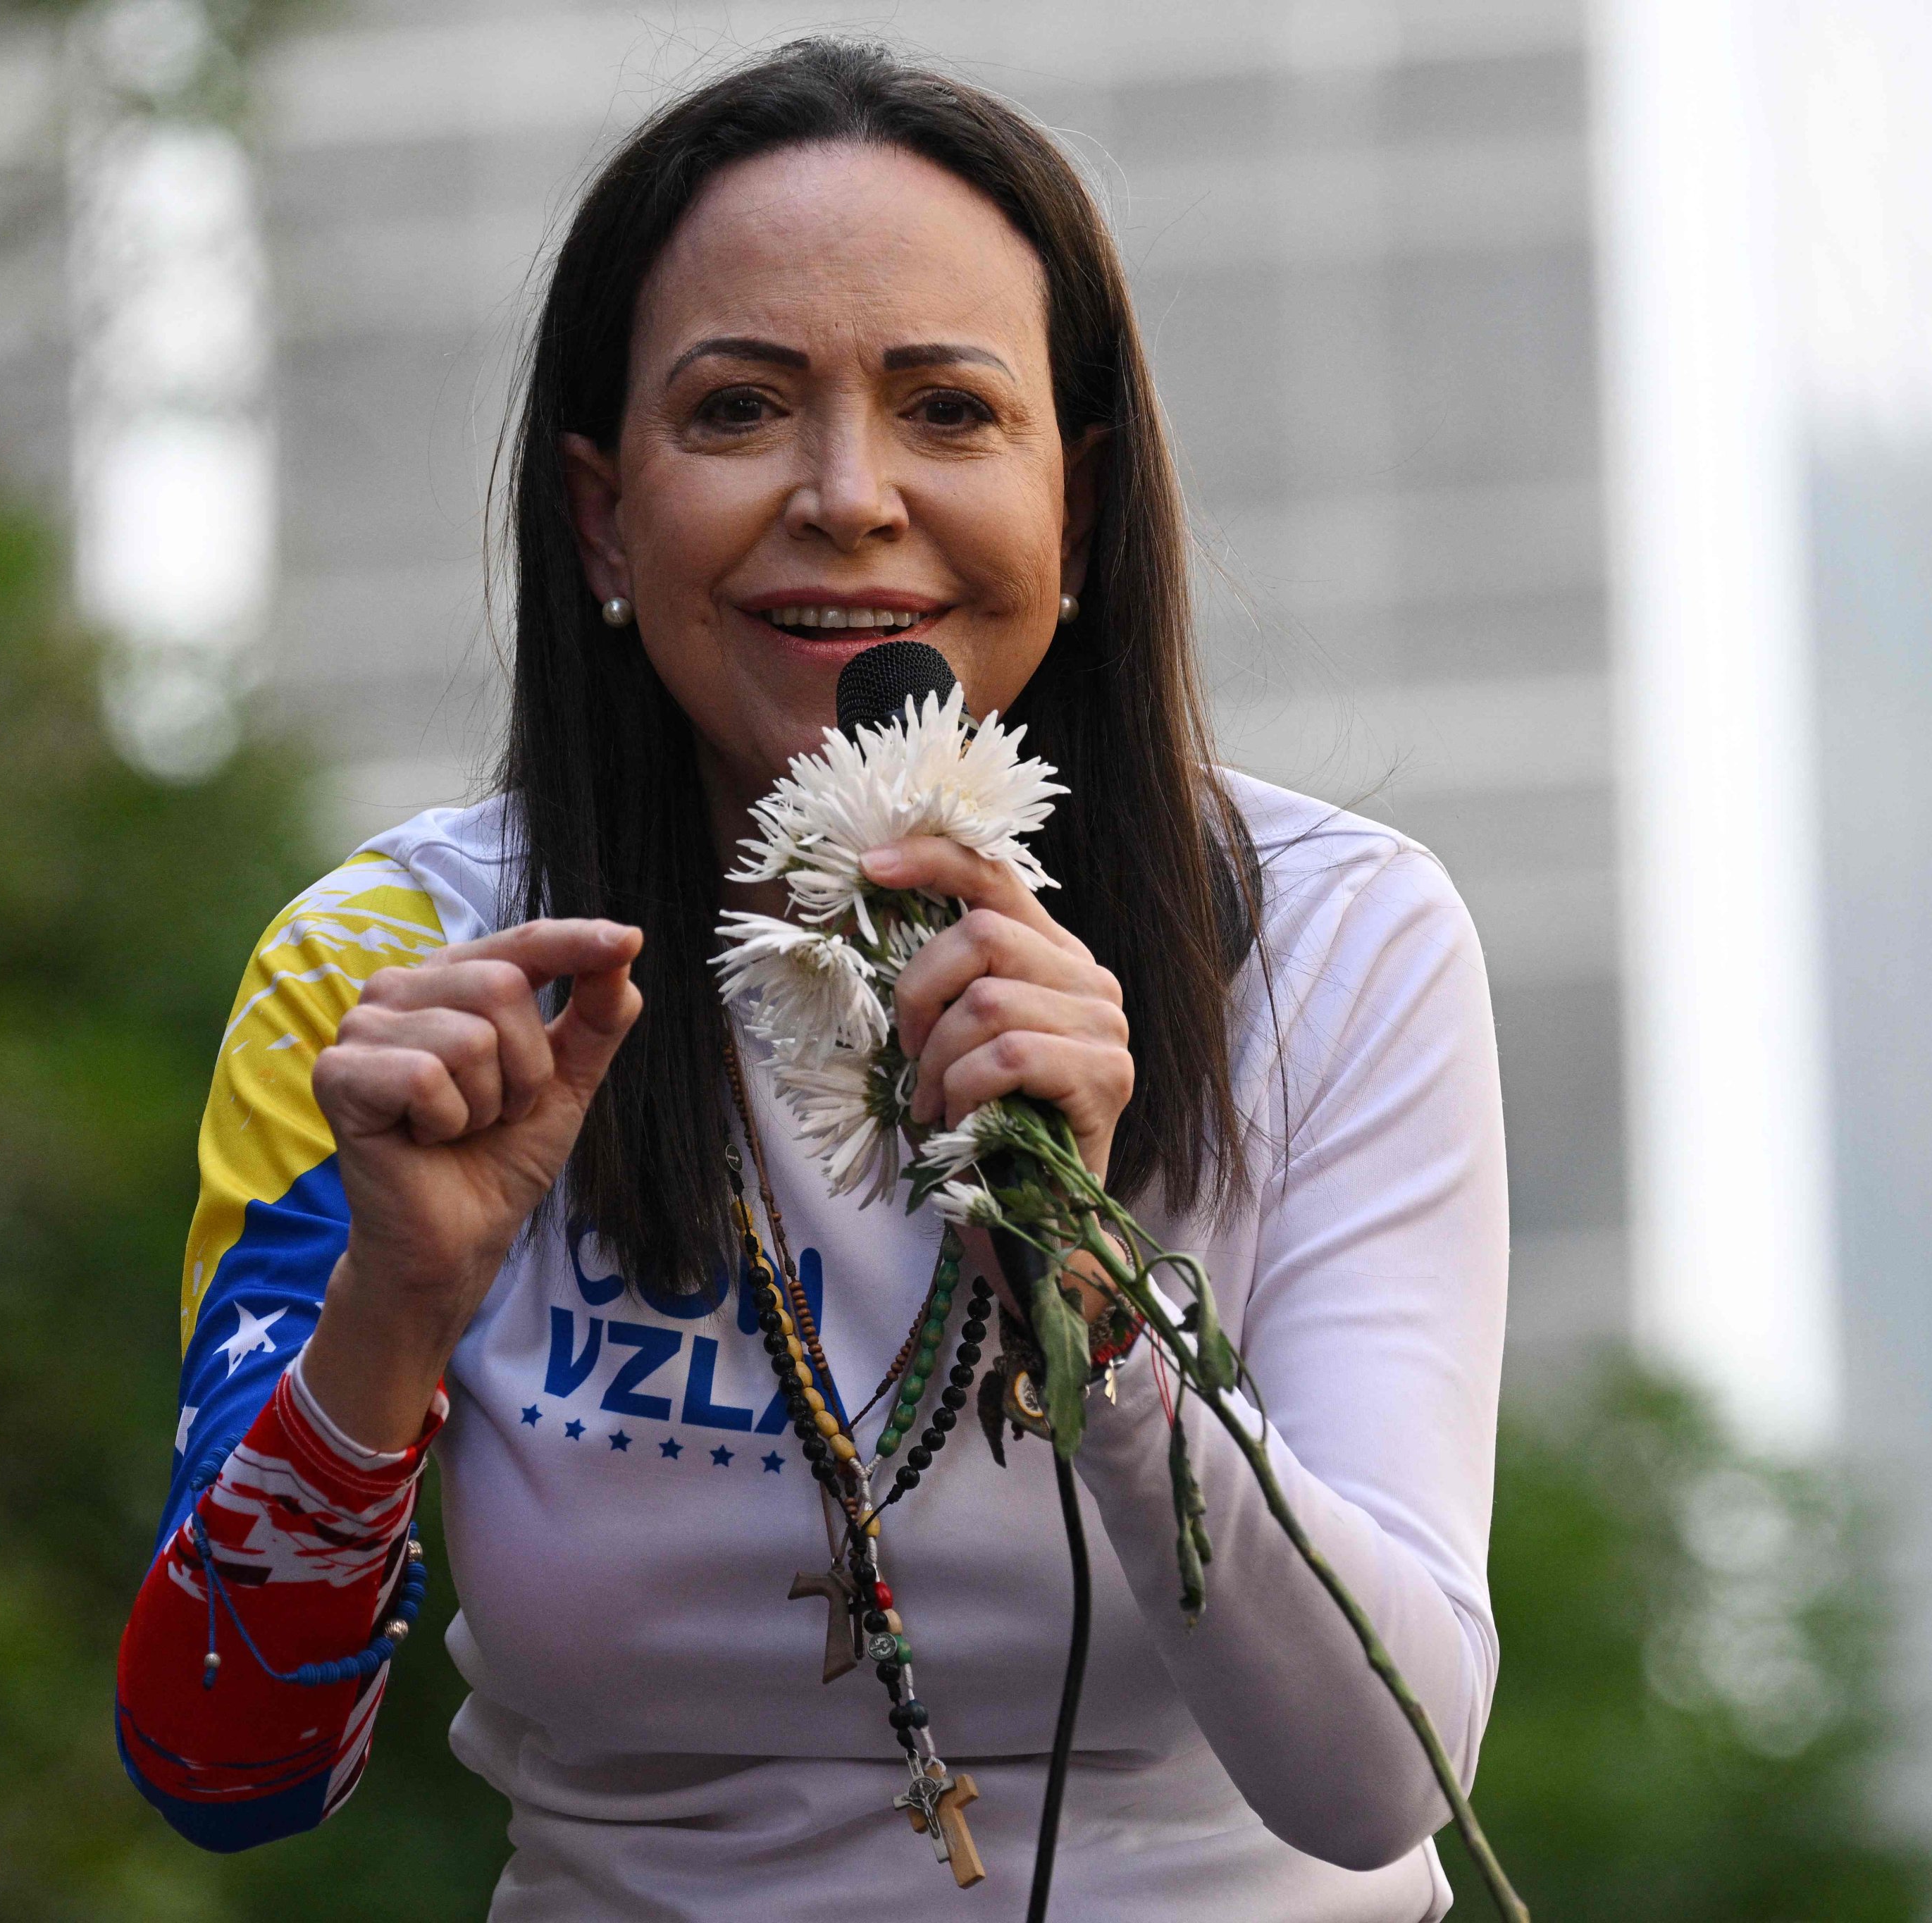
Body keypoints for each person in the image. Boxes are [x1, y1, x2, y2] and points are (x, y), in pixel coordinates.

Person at [114, 39, 1509, 1922]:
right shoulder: (394, 979)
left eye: (946, 410)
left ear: (1077, 509)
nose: (849, 496)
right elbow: (226, 1773)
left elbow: (1380, 1777)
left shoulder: (1340, 940)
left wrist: (1100, 1310)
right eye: (742, 409)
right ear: (605, 515)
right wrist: (397, 1298)